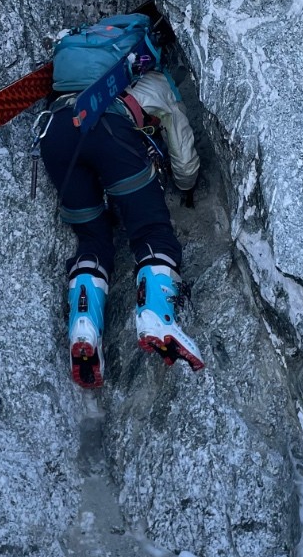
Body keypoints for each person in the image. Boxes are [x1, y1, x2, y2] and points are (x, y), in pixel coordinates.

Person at [36, 30, 205, 390]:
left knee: (93, 239)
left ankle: (84, 325)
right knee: (151, 232)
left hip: (55, 133)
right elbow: (184, 159)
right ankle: (156, 316)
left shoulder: (74, 78)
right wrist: (188, 187)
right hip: (109, 129)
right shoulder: (157, 81)